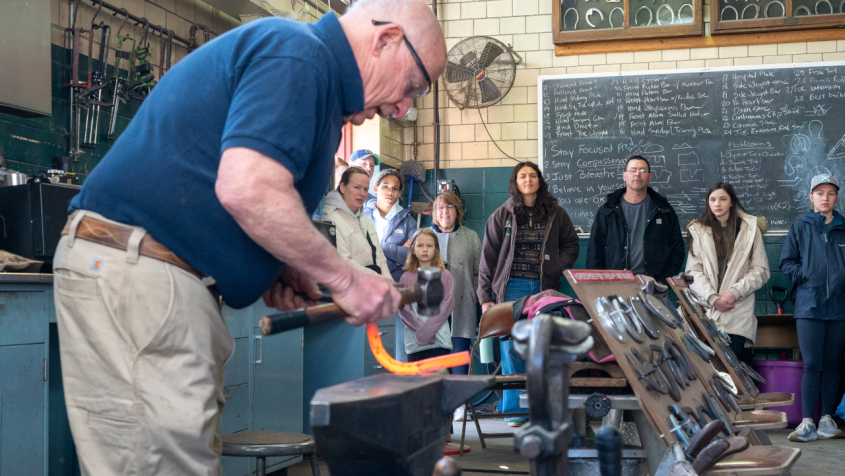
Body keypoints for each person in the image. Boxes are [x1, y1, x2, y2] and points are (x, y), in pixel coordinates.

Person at [51, 0, 446, 473]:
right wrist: (346, 279)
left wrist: (281, 262)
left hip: (160, 278)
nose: (404, 107)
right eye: (414, 87)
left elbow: (228, 187)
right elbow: (248, 188)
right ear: (385, 39)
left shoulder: (313, 79)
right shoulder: (300, 55)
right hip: (141, 274)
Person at [477, 161, 580, 427]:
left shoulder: (555, 213)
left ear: (539, 181)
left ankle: (540, 409)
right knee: (511, 348)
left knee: (543, 348)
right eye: (523, 176)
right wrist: (485, 297)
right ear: (515, 181)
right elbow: (487, 259)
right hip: (512, 287)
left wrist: (558, 265)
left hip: (545, 288)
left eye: (532, 175)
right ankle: (514, 410)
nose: (528, 179)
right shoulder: (502, 215)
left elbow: (571, 243)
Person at [780, 173, 845, 443]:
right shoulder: (800, 227)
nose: (825, 198)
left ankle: (826, 420)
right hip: (809, 306)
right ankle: (807, 422)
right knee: (812, 364)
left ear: (836, 197)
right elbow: (786, 262)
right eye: (820, 193)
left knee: (833, 365)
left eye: (830, 193)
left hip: (840, 308)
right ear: (811, 197)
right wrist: (806, 275)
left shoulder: (843, 228)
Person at [685, 183, 770, 367]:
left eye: (723, 199)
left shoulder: (749, 228)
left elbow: (761, 270)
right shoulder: (698, 230)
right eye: (713, 199)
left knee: (733, 366)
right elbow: (693, 272)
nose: (718, 204)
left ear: (732, 202)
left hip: (737, 308)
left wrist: (734, 293)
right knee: (708, 368)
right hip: (707, 309)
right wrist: (712, 298)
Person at [586, 155, 685, 282]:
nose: (637, 174)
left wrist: (662, 281)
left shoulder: (664, 211)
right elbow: (594, 252)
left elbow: (677, 250)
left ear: (650, 177)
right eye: (633, 170)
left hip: (653, 286)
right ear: (624, 176)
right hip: (615, 285)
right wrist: (598, 285)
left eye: (643, 171)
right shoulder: (607, 211)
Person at [365, 168, 418, 361]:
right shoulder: (361, 216)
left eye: (395, 188)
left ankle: (400, 388)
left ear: (399, 193)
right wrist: (396, 253)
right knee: (367, 346)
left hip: (397, 287)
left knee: (398, 346)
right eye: (385, 186)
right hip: (365, 287)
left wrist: (380, 247)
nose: (390, 192)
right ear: (375, 187)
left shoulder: (408, 222)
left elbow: (414, 256)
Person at [322, 167, 392, 279]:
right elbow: (343, 262)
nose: (362, 193)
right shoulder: (330, 219)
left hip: (374, 286)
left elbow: (380, 257)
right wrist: (379, 279)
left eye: (365, 189)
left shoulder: (366, 220)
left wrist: (389, 281)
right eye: (357, 187)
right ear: (343, 187)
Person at [398, 229, 455, 361]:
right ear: (412, 249)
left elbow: (447, 305)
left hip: (440, 343)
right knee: (418, 382)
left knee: (440, 381)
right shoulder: (405, 277)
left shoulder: (445, 275)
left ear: (436, 249)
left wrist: (427, 332)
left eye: (429, 246)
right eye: (420, 245)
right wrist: (422, 334)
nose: (425, 250)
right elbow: (404, 310)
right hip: (415, 344)